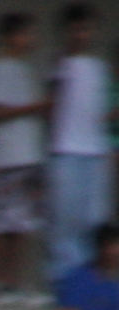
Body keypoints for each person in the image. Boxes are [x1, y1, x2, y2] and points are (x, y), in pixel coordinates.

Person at [0, 11, 52, 306]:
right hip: (6, 159)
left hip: (27, 158)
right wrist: (35, 107)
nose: (31, 39)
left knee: (22, 225)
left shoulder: (26, 70)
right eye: (25, 33)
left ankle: (17, 285)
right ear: (9, 37)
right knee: (1, 225)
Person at [53, 5, 110, 285]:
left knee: (94, 220)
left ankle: (90, 280)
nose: (82, 35)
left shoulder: (99, 68)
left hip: (95, 152)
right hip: (66, 151)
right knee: (66, 221)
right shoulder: (59, 65)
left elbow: (99, 112)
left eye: (86, 29)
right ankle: (64, 280)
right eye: (76, 29)